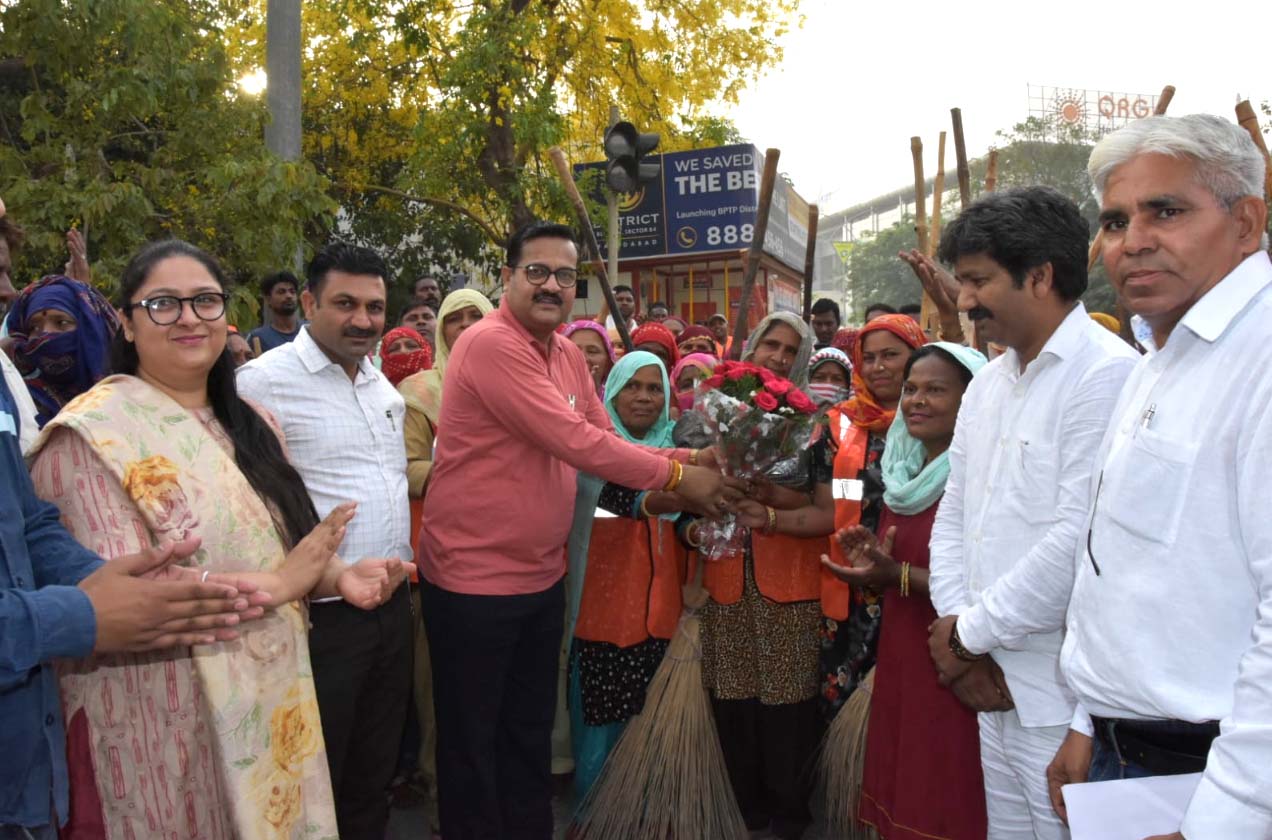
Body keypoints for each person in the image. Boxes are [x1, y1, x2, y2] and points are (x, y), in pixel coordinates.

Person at [27, 239, 404, 839]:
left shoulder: (253, 424)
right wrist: (281, 585)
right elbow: (122, 594)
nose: (187, 318)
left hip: (271, 694)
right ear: (125, 320)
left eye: (204, 301)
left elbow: (275, 544)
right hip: (160, 708)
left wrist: (337, 576)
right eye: (162, 304)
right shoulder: (87, 438)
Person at [418, 220, 733, 839]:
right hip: (471, 582)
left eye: (565, 275)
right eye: (536, 271)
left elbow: (605, 432)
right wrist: (676, 475)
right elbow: (574, 441)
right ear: (507, 278)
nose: (551, 284)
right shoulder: (490, 345)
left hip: (539, 575)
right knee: (472, 743)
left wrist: (696, 461)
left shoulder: (564, 352)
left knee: (527, 730)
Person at [1049, 114, 1272, 839]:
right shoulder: (1161, 357)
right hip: (1130, 765)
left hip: (1219, 783)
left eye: (1165, 211)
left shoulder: (1260, 360)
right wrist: (1089, 720)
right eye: (1114, 220)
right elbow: (1117, 567)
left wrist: (1229, 816)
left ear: (1246, 222)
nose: (1131, 241)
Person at [926, 187, 1138, 840]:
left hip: (1060, 694)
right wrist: (961, 638)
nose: (963, 301)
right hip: (988, 682)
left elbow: (1080, 540)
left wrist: (967, 636)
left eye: (978, 281)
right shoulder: (989, 383)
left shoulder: (1106, 376)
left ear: (1040, 276)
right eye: (961, 282)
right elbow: (957, 513)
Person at [236, 241, 413, 839]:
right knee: (316, 774)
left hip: (391, 609)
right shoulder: (260, 383)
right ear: (309, 301)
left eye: (374, 306)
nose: (363, 319)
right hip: (316, 618)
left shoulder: (381, 387)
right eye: (345, 303)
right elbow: (248, 508)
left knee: (374, 769)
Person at [823, 342, 989, 840]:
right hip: (902, 649)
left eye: (936, 390)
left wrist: (892, 574)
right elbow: (907, 561)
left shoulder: (978, 475)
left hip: (954, 658)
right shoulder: (904, 469)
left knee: (944, 788)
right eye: (912, 388)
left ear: (974, 400)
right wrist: (877, 557)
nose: (916, 400)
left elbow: (983, 584)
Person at [700, 311, 832, 840]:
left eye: (790, 351)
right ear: (752, 346)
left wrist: (773, 503)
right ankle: (745, 809)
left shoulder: (816, 427)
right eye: (770, 345)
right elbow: (688, 487)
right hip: (725, 578)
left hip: (790, 585)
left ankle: (790, 815)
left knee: (788, 709)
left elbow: (827, 509)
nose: (777, 358)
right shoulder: (712, 413)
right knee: (733, 702)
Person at [566, 350, 697, 797]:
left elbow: (683, 528)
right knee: (601, 728)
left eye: (654, 387)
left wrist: (697, 527)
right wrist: (668, 495)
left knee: (654, 725)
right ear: (610, 395)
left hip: (662, 615)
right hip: (601, 616)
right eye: (632, 387)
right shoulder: (587, 452)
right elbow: (609, 500)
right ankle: (596, 816)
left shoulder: (679, 451)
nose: (643, 398)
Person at [820, 314, 928, 719]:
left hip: (914, 579)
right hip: (851, 581)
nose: (878, 366)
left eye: (891, 355)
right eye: (869, 357)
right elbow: (832, 493)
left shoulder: (937, 418)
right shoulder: (839, 422)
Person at [398, 289, 493, 499]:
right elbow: (407, 467)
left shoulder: (519, 381)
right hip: (448, 512)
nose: (465, 324)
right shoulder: (418, 390)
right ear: (442, 331)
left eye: (476, 315)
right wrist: (470, 474)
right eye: (454, 319)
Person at [4, 275, 118, 428]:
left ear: (90, 331)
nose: (46, 335)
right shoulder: (18, 401)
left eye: (61, 323)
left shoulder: (130, 399)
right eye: (34, 328)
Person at [246, 270, 302, 354]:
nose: (289, 296)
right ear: (268, 299)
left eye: (292, 291)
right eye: (281, 292)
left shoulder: (310, 331)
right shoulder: (258, 338)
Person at [564, 319, 616, 396]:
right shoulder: (546, 396)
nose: (583, 359)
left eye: (592, 351)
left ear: (608, 362)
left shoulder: (616, 402)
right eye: (574, 351)